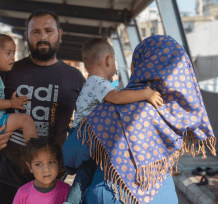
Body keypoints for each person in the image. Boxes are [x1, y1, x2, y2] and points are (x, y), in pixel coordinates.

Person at [63, 35, 216, 204]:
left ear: (139, 66)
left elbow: (71, 154)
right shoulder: (176, 117)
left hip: (112, 197)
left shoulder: (109, 110)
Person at [0, 9, 85, 204]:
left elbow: (89, 123)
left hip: (50, 182)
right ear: (27, 36)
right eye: (36, 32)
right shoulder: (6, 71)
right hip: (4, 175)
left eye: (48, 30)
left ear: (59, 34)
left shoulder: (74, 78)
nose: (42, 37)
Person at [66, 38, 163, 203]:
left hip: (81, 134)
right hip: (85, 138)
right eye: (115, 60)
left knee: (86, 174)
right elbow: (116, 98)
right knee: (85, 174)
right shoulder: (98, 82)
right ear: (108, 60)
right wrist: (146, 94)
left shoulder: (91, 82)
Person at [13, 137, 70, 203]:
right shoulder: (23, 193)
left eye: (51, 162)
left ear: (58, 164)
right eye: (38, 164)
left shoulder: (66, 190)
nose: (46, 169)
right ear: (30, 167)